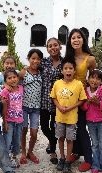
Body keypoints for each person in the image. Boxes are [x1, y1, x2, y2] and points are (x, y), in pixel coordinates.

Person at [64, 28, 96, 172]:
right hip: (68, 97)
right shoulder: (68, 58)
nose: (76, 40)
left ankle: (89, 159)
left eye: (78, 37)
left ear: (83, 39)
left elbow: (95, 78)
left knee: (81, 128)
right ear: (70, 41)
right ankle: (76, 153)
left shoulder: (90, 58)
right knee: (72, 127)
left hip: (82, 98)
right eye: (73, 38)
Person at [50, 59, 87, 173]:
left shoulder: (78, 84)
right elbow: (53, 97)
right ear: (62, 71)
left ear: (74, 71)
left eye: (70, 68)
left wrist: (71, 107)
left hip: (72, 119)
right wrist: (59, 106)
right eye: (65, 68)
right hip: (59, 117)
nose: (68, 70)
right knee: (60, 138)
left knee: (70, 140)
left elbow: (82, 100)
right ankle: (61, 158)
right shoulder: (57, 83)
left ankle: (67, 161)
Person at [81, 69, 102, 173]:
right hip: (91, 122)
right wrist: (88, 102)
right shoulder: (85, 91)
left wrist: (98, 103)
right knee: (95, 145)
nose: (95, 80)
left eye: (98, 78)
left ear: (101, 81)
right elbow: (83, 107)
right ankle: (96, 165)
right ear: (88, 79)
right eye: (92, 77)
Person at [40, 37, 63, 165]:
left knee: (54, 128)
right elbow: (31, 69)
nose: (53, 47)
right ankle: (51, 141)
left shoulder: (65, 63)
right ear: (47, 49)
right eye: (50, 46)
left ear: (60, 46)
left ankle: (53, 151)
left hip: (57, 102)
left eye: (55, 45)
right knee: (44, 126)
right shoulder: (43, 62)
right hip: (43, 101)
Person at [19, 49, 43, 164]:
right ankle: (23, 153)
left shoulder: (41, 73)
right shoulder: (23, 72)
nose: (36, 61)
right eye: (33, 58)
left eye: (38, 59)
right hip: (23, 106)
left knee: (34, 132)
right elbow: (14, 84)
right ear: (28, 59)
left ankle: (30, 152)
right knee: (23, 130)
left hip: (36, 108)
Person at [0, 70, 24, 168]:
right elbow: (0, 103)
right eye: (9, 78)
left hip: (19, 121)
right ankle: (6, 159)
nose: (12, 79)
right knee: (7, 141)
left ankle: (14, 157)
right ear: (5, 81)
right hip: (9, 121)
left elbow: (23, 73)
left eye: (14, 77)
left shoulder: (21, 88)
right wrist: (4, 121)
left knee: (17, 141)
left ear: (18, 78)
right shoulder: (5, 91)